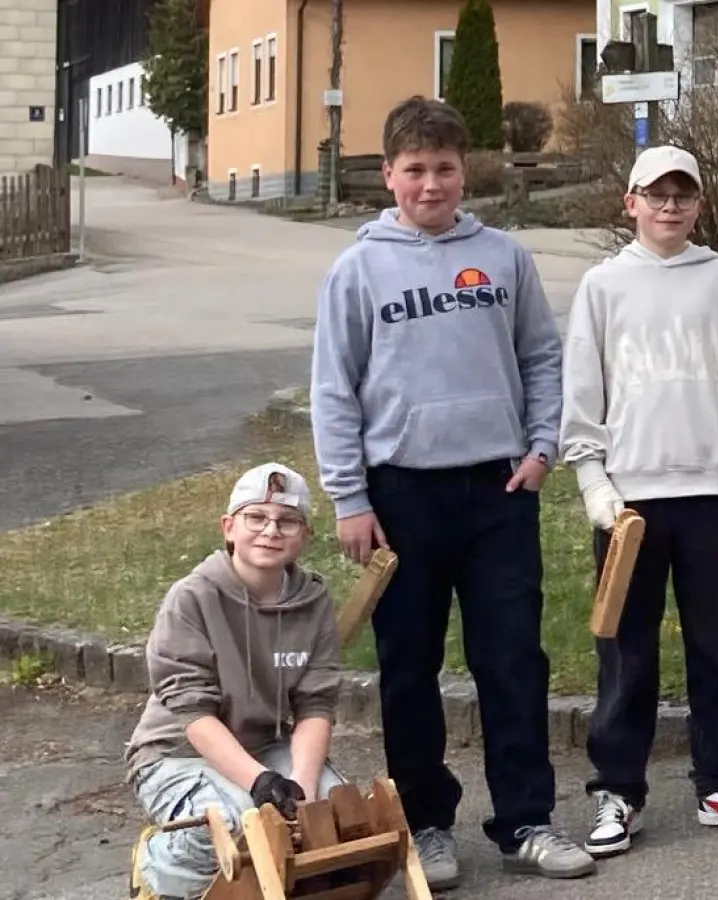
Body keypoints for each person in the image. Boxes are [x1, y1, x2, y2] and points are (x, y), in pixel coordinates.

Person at [309, 96, 593, 891]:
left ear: (466, 172)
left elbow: (542, 357)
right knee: (409, 668)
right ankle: (426, 825)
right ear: (388, 176)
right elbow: (335, 390)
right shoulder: (357, 269)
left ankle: (526, 819)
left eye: (444, 169)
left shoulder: (503, 258)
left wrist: (540, 449)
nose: (430, 184)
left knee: (512, 660)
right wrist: (349, 498)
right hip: (400, 496)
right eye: (414, 170)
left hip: (498, 490)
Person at [560, 144, 718, 859]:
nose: (669, 206)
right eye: (655, 195)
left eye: (682, 195)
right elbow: (581, 394)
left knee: (715, 645)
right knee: (625, 653)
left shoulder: (717, 280)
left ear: (697, 204)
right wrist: (595, 485)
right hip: (629, 503)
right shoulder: (602, 287)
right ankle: (617, 790)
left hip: (709, 494)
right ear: (630, 203)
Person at [126, 463, 344, 900]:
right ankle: (158, 870)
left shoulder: (314, 601)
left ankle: (268, 885)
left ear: (304, 536)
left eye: (287, 521)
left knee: (333, 810)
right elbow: (192, 712)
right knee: (237, 820)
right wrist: (261, 782)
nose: (270, 531)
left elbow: (315, 705)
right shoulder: (191, 598)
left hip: (263, 745)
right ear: (228, 527)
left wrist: (299, 788)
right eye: (255, 518)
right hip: (176, 753)